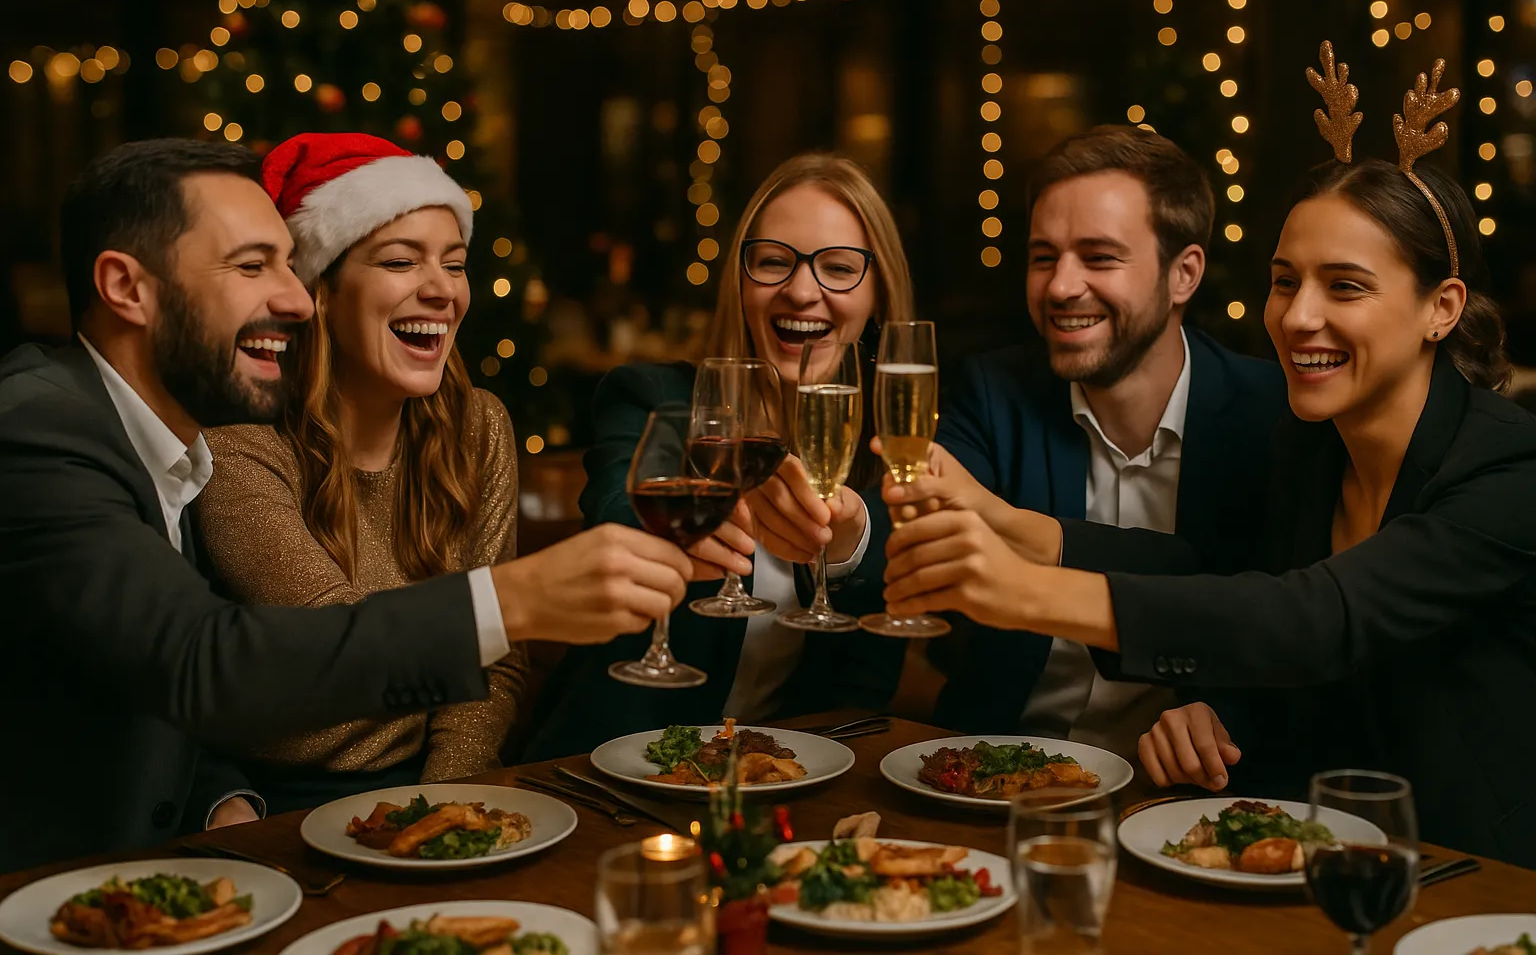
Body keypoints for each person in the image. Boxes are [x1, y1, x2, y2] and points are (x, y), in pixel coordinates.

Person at [0, 138, 693, 872]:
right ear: (127, 288)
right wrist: (506, 603)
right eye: (252, 266)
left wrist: (223, 796)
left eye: (288, 264)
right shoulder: (42, 430)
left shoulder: (167, 445)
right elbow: (210, 662)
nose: (294, 297)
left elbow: (143, 685)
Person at [882, 128, 1536, 864]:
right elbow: (1212, 574)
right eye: (1285, 281)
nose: (1295, 317)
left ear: (1441, 308)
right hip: (1319, 855)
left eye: (1344, 285)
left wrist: (1025, 592)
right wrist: (1014, 525)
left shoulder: (1511, 468)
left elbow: (1317, 615)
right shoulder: (1309, 444)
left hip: (1482, 874)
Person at [523, 153, 911, 759]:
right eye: (774, 263)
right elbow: (619, 527)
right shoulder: (650, 398)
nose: (803, 291)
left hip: (780, 787)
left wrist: (851, 544)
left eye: (838, 268)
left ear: (879, 295)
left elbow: (864, 694)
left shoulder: (891, 449)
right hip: (608, 770)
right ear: (740, 282)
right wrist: (711, 516)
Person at [920, 126, 1285, 763]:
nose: (1061, 286)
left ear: (1184, 274)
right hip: (995, 780)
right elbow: (917, 536)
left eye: (1099, 257)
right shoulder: (993, 392)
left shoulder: (1273, 416)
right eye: (1043, 256)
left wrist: (1230, 712)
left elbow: (1277, 615)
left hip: (1181, 799)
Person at [194, 134, 526, 813]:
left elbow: (496, 660)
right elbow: (345, 652)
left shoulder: (478, 425)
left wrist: (438, 815)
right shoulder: (238, 446)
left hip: (438, 791)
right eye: (401, 261)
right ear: (321, 293)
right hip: (280, 804)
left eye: (455, 264)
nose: (441, 290)